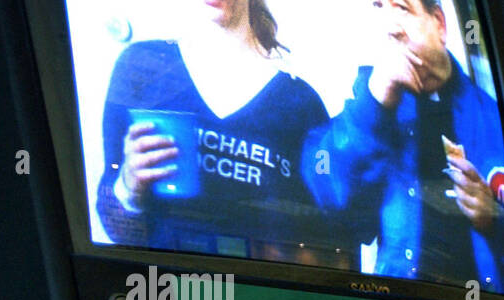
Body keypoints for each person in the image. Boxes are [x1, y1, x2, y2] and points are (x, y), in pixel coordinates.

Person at [97, 0, 345, 265]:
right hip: (168, 294)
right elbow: (115, 229)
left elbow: (325, 243)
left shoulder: (302, 103)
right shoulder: (141, 66)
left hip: (261, 297)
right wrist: (128, 189)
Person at [304, 0, 504, 293]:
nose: (390, 27)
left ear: (439, 24)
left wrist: (494, 221)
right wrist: (374, 103)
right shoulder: (373, 104)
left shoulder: (497, 121)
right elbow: (328, 193)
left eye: (402, 8)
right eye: (379, 7)